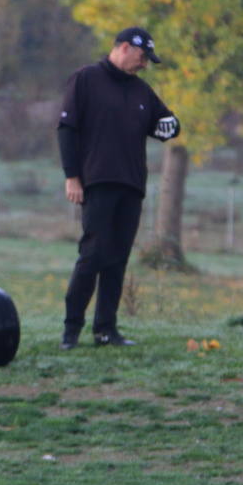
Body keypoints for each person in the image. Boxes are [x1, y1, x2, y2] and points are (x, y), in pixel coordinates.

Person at [57, 27, 180, 349]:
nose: (145, 65)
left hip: (132, 185)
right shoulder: (85, 79)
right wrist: (72, 176)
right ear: (124, 48)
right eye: (142, 58)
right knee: (93, 254)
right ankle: (71, 329)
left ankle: (105, 330)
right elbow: (67, 129)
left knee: (117, 258)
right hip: (97, 182)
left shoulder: (141, 91)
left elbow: (166, 123)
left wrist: (171, 127)